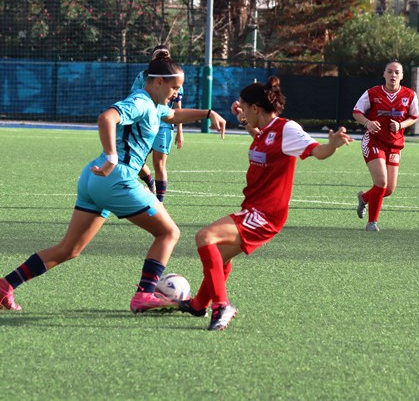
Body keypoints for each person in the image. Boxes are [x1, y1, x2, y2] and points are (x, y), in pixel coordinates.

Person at [0, 56, 227, 312]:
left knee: (70, 249)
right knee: (169, 232)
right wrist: (112, 157)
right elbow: (107, 118)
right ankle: (144, 294)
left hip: (93, 179)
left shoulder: (154, 105)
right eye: (174, 88)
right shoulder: (141, 101)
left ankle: (5, 286)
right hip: (116, 178)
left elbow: (173, 114)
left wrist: (208, 114)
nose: (176, 94)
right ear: (159, 82)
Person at [177, 76, 353, 331]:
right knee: (220, 258)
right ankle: (198, 305)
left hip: (265, 214)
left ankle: (221, 306)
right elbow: (262, 139)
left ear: (256, 108)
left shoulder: (287, 130)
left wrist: (332, 145)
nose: (242, 112)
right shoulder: (264, 132)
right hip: (252, 208)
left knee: (205, 237)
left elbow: (318, 152)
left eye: (244, 107)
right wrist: (245, 119)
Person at [352, 61, 419, 232]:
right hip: (374, 141)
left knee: (388, 189)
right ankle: (372, 222)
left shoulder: (409, 95)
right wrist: (367, 122)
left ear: (402, 76)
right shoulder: (373, 93)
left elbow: (414, 116)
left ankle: (364, 198)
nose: (393, 75)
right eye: (389, 72)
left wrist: (401, 125)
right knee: (381, 183)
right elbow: (356, 112)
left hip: (395, 145)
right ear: (384, 74)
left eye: (397, 72)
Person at [133, 45, 184, 202]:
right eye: (159, 56)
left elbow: (177, 108)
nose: (162, 59)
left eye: (165, 56)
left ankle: (159, 203)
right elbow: (135, 98)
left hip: (163, 126)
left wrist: (180, 132)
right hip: (144, 125)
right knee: (136, 162)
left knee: (159, 164)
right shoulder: (143, 77)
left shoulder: (174, 77)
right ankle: (150, 181)